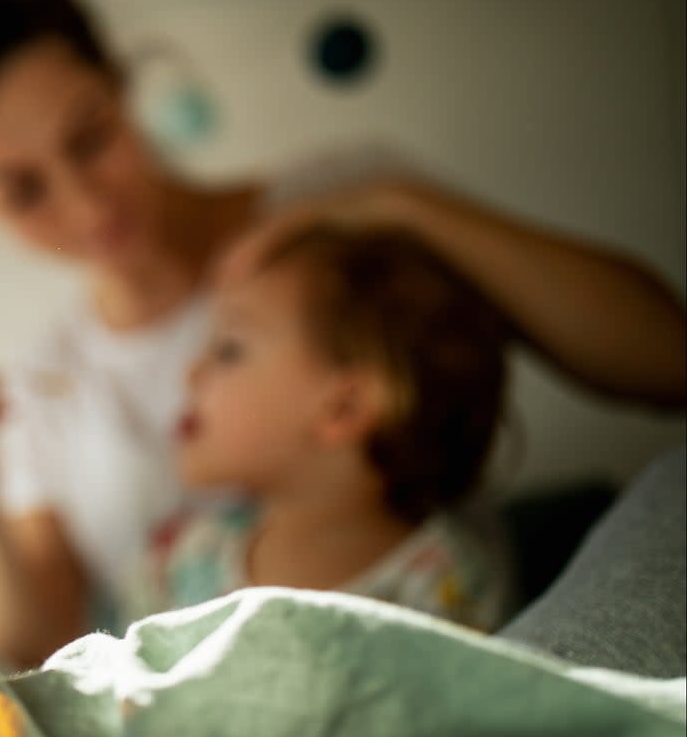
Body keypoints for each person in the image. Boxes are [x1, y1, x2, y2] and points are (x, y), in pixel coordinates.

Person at [0, 0, 687, 668]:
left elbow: (665, 360)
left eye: (92, 137)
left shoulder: (340, 214)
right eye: (23, 191)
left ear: (122, 84)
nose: (90, 208)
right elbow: (31, 652)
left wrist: (402, 207)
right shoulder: (49, 389)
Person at [128, 225, 514, 629]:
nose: (190, 373)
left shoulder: (446, 587)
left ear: (343, 408)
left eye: (229, 350)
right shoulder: (178, 562)